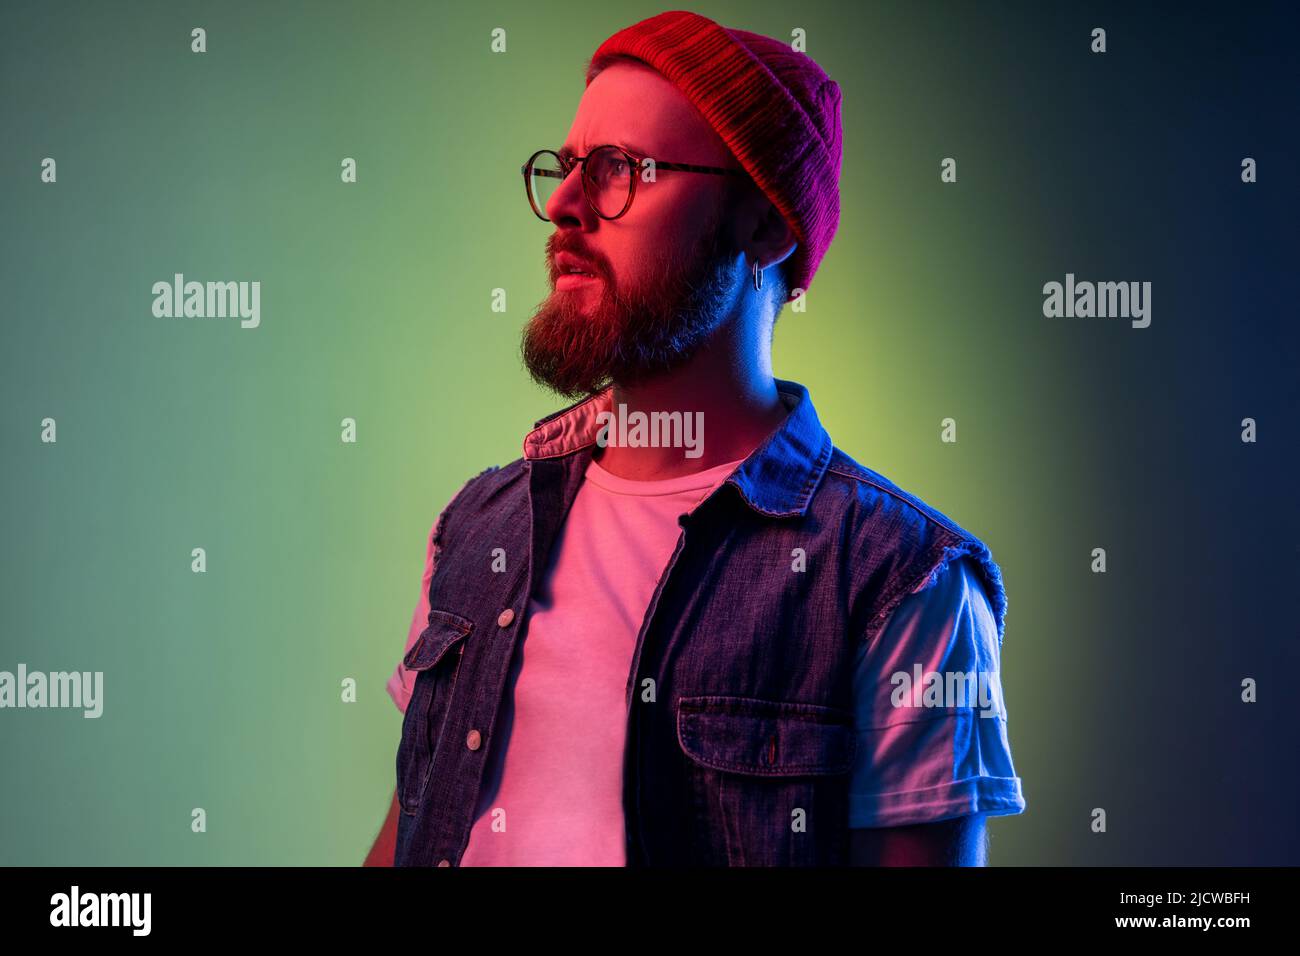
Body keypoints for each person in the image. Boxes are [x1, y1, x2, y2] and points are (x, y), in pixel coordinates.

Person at [365, 9, 1024, 867]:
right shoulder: (478, 528)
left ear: (763, 226)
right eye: (566, 169)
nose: (563, 206)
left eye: (620, 170)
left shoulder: (903, 587)